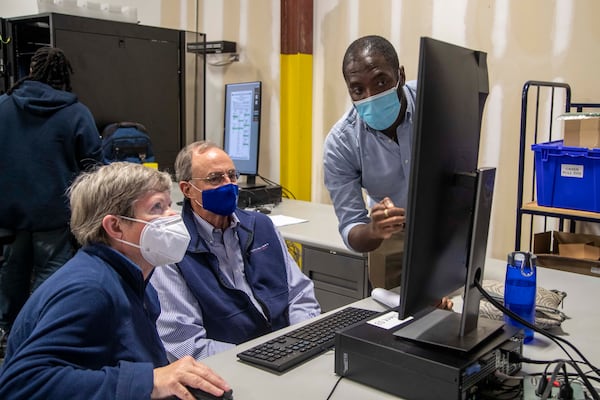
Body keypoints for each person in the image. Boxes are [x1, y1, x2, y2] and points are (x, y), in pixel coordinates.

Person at [0, 162, 231, 399]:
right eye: (157, 208)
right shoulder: (89, 289)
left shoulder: (135, 280)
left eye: (169, 205)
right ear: (115, 226)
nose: (172, 216)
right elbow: (21, 384)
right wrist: (150, 380)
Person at [150, 141, 321, 361]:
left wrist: (302, 339)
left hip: (288, 353)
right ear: (187, 189)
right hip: (230, 367)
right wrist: (260, 357)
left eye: (232, 175)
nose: (228, 184)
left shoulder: (261, 226)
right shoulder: (172, 250)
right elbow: (184, 343)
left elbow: (299, 294)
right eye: (215, 178)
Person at [0, 46, 103, 345]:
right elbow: (93, 167)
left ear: (31, 71)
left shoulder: (3, 106)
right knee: (51, 276)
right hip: (55, 216)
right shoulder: (76, 113)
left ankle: (8, 336)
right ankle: (38, 334)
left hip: (8, 216)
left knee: (11, 276)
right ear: (63, 74)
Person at [323, 35, 415, 289]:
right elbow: (352, 228)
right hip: (391, 235)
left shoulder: (434, 101)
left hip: (446, 223)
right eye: (358, 89)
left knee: (456, 311)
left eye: (381, 82)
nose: (370, 95)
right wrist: (375, 230)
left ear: (401, 76)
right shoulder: (341, 143)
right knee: (393, 319)